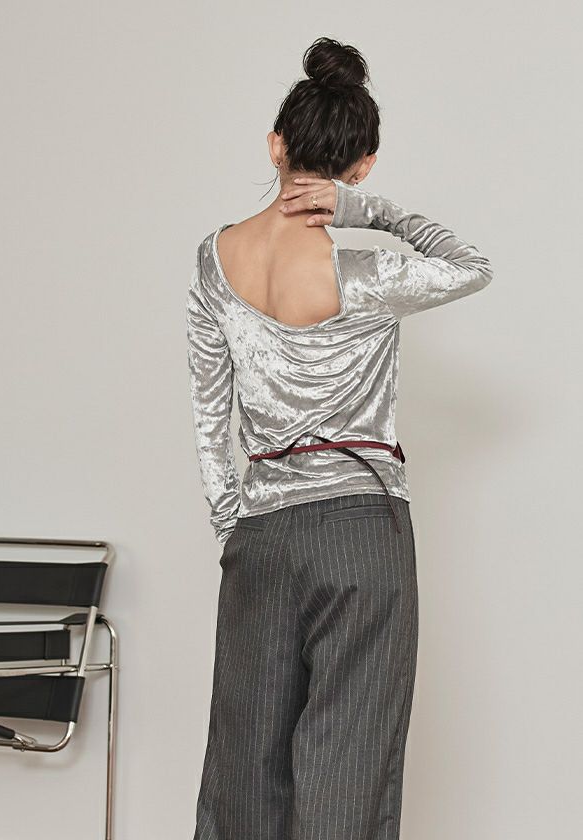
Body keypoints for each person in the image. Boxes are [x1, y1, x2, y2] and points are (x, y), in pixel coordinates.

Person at [185, 36, 492, 840]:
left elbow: (209, 411)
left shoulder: (216, 262)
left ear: (276, 145)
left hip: (260, 536)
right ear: (361, 165)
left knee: (244, 766)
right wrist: (369, 214)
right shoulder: (366, 273)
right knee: (347, 768)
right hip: (362, 532)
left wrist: (234, 523)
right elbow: (471, 265)